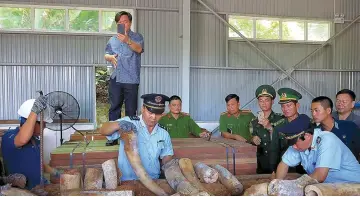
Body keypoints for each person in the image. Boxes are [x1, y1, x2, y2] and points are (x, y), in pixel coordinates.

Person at [99, 94, 173, 181]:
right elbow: (103, 129)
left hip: (154, 180)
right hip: (127, 180)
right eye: (150, 112)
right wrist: (119, 124)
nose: (153, 117)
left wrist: (169, 166)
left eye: (158, 114)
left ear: (162, 114)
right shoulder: (129, 122)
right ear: (143, 109)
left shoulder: (163, 133)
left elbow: (166, 157)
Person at [1, 98, 62, 189]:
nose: (44, 128)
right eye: (43, 124)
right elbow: (22, 140)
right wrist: (34, 112)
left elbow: (39, 163)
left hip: (38, 189)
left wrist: (55, 172)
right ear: (31, 122)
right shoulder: (9, 136)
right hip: (21, 192)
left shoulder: (35, 140)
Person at [104, 11, 144, 146]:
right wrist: (109, 57)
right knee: (114, 107)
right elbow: (106, 54)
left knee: (131, 110)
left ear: (130, 23)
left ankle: (130, 138)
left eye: (125, 21)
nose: (122, 24)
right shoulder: (112, 39)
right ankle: (113, 138)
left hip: (131, 79)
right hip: (116, 78)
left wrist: (127, 40)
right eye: (119, 22)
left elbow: (139, 49)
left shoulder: (137, 37)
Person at [275, 120, 360, 183]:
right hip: (328, 186)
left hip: (353, 187)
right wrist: (277, 184)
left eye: (294, 143)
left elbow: (320, 176)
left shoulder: (327, 140)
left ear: (307, 136)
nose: (293, 147)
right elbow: (284, 164)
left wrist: (293, 185)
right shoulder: (299, 144)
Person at [249, 85, 287, 174]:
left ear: (272, 101)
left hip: (278, 163)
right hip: (260, 165)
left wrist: (270, 127)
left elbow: (285, 141)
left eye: (267, 100)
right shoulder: (254, 122)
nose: (263, 103)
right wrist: (253, 139)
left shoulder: (281, 119)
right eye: (261, 100)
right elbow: (250, 141)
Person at [311, 96, 360, 161]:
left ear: (328, 110)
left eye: (316, 110)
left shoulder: (349, 126)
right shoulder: (314, 131)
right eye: (312, 111)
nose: (313, 114)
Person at [275, 87, 311, 174]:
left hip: (304, 168)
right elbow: (275, 149)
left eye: (289, 105)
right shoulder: (279, 125)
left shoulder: (307, 122)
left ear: (297, 106)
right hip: (284, 166)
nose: (285, 109)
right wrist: (274, 169)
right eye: (283, 106)